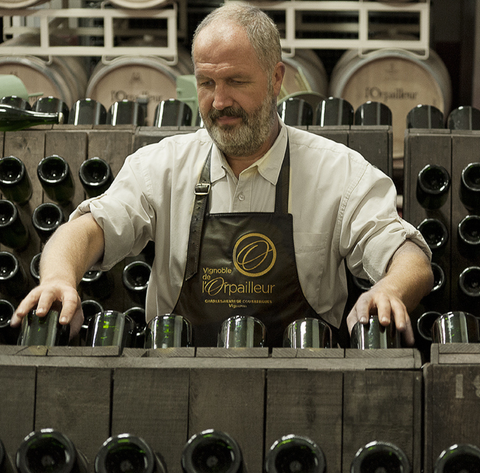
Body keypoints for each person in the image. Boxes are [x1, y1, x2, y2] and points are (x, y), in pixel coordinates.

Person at [11, 2, 433, 347]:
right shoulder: (162, 166)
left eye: (236, 81)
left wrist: (392, 288)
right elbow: (88, 228)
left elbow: (410, 256)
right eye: (207, 82)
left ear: (276, 80)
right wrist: (59, 278)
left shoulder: (337, 172)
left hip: (305, 385)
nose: (219, 101)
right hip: (176, 382)